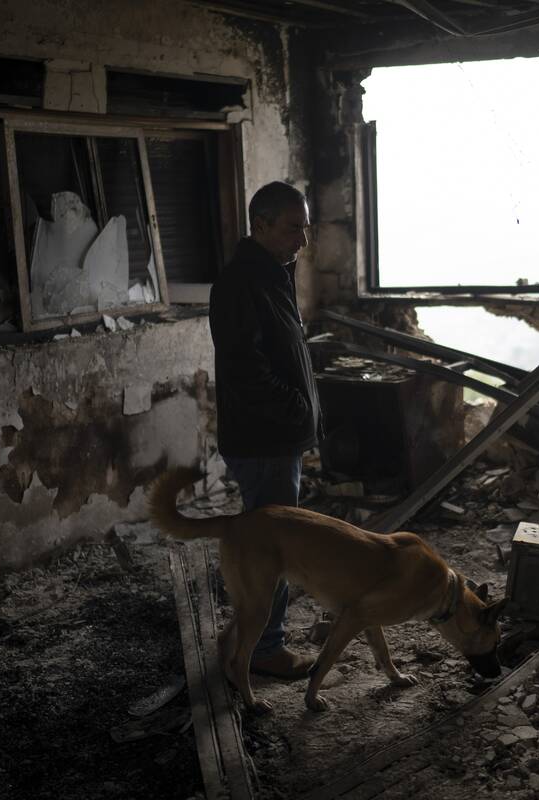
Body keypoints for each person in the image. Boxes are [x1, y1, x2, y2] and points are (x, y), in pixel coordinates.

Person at [208, 181, 321, 680]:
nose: (304, 238)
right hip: (265, 441)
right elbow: (247, 371)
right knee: (273, 551)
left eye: (307, 226)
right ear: (262, 224)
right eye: (294, 227)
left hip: (274, 437)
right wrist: (296, 409)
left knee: (267, 545)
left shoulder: (273, 274)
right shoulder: (242, 282)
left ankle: (249, 637)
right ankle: (266, 649)